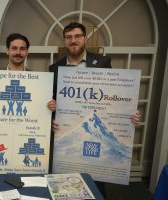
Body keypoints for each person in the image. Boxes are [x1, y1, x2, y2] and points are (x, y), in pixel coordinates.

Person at [49, 22, 140, 196]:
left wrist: (128, 114)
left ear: (85, 39)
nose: (73, 41)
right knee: (66, 185)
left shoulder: (103, 62)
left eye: (77, 36)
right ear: (64, 41)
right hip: (69, 133)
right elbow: (54, 101)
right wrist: (53, 115)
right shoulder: (54, 68)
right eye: (69, 37)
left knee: (94, 183)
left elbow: (114, 94)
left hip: (96, 131)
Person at [0, 33, 56, 111]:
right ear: (7, 50)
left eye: (22, 49)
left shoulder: (38, 82)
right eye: (14, 48)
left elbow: (40, 108)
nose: (18, 52)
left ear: (27, 52)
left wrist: (50, 106)